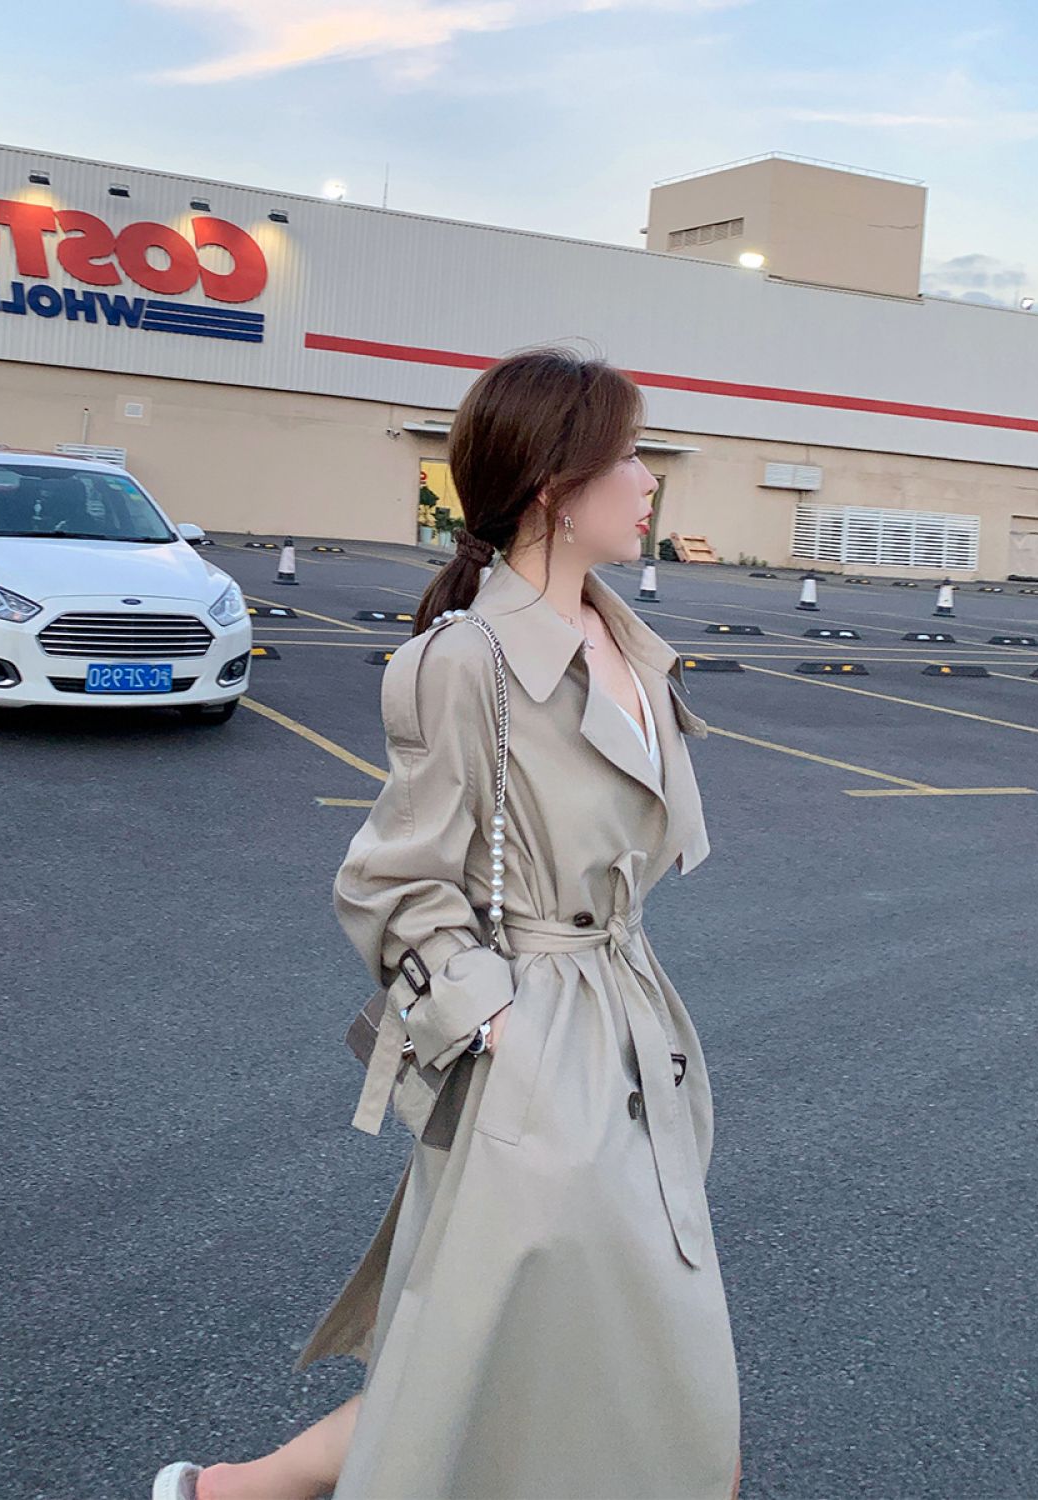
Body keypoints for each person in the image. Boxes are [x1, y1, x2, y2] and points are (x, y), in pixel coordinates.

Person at [153, 346, 742, 1500]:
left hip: (634, 1032)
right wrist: (502, 1029)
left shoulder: (627, 642)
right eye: (628, 458)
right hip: (540, 1060)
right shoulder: (465, 661)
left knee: (504, 1351)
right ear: (554, 487)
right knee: (625, 1361)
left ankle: (234, 1491)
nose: (649, 482)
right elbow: (392, 883)